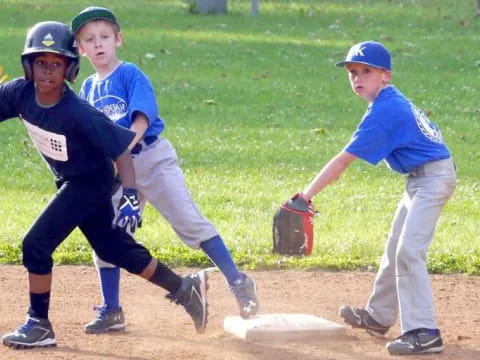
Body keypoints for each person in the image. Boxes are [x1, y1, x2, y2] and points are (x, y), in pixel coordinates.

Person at [1, 21, 208, 349]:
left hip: (93, 180)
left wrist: (128, 194)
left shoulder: (78, 112)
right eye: (41, 62)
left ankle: (39, 323)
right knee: (113, 248)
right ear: (28, 65)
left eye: (57, 63)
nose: (48, 71)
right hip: (71, 179)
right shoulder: (18, 94)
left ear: (70, 68)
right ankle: (185, 289)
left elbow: (122, 151)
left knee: (36, 244)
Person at [70, 6, 259, 334]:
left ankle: (239, 282)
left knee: (190, 223)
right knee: (106, 237)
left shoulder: (129, 74)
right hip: (117, 169)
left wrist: (120, 153)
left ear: (118, 39)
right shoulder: (87, 88)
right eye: (89, 39)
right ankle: (112, 309)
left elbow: (141, 120)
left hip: (151, 159)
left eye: (104, 37)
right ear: (80, 49)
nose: (98, 44)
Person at [295, 41, 456, 355]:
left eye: (366, 71)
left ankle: (424, 332)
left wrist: (305, 195)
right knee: (395, 246)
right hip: (422, 178)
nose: (357, 77)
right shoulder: (385, 102)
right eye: (353, 72)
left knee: (410, 251)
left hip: (433, 179)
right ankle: (378, 317)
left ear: (386, 75)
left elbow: (343, 161)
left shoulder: (386, 110)